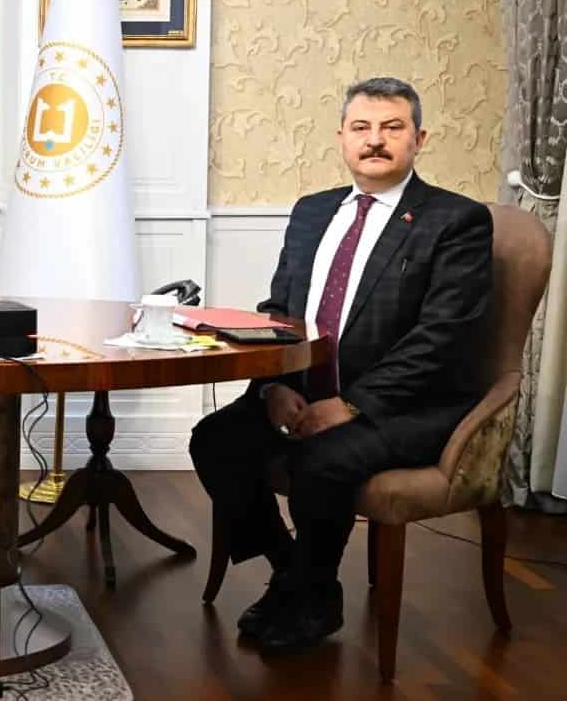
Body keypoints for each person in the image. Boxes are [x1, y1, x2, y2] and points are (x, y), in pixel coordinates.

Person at [189, 77, 492, 652]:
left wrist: (350, 405)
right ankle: (295, 572)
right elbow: (279, 312)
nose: (375, 140)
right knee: (215, 439)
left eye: (392, 127)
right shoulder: (312, 212)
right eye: (362, 127)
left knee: (323, 462)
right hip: (306, 391)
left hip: (407, 405)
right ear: (342, 138)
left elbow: (441, 338)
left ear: (419, 139)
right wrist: (275, 386)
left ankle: (308, 595)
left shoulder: (457, 220)